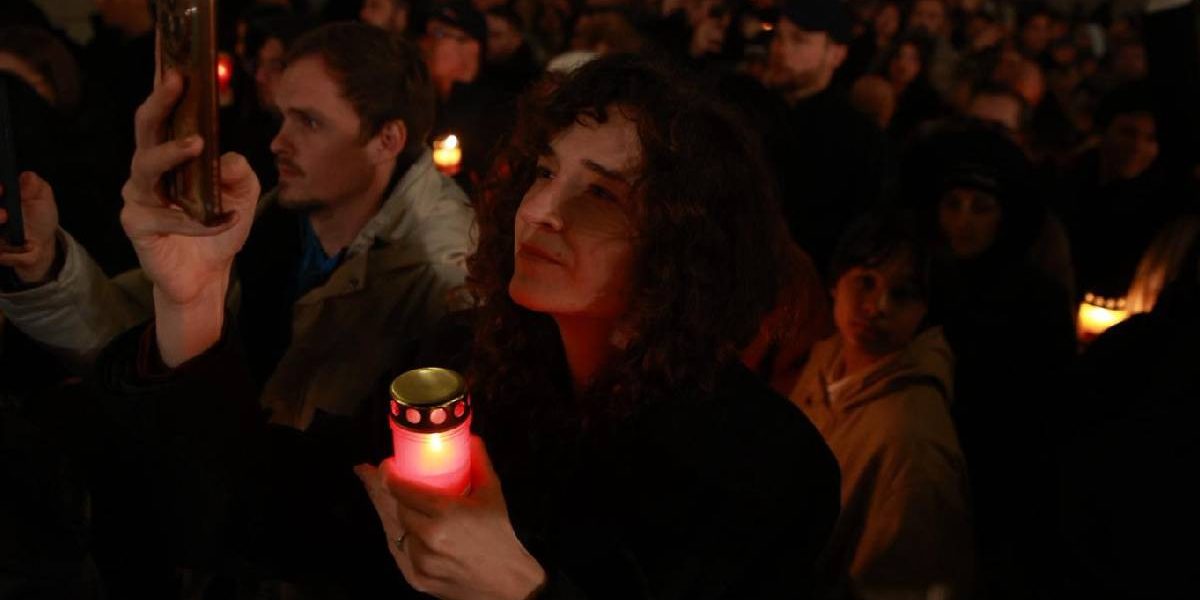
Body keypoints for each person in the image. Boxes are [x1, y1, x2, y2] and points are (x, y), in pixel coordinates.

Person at [87, 53, 842, 598]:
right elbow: (263, 516)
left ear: (687, 245)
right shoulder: (470, 370)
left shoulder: (762, 471)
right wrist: (192, 300)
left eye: (603, 196)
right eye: (545, 172)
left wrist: (521, 588)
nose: (541, 210)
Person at [0, 23, 473, 432]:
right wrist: (46, 265)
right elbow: (132, 340)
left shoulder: (442, 278)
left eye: (309, 122)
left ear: (386, 140)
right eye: (280, 116)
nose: (278, 142)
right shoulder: (273, 224)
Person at [788, 212, 974, 600]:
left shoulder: (912, 440)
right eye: (866, 282)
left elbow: (903, 584)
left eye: (903, 293)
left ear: (925, 311)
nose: (878, 306)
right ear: (835, 283)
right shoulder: (827, 361)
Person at [741, 0, 887, 280]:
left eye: (799, 40)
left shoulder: (857, 139)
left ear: (836, 54)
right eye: (779, 36)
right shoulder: (747, 110)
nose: (781, 49)